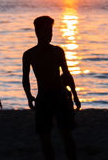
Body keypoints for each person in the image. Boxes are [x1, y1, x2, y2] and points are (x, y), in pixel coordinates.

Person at [22, 16, 81, 160]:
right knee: (44, 136)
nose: (49, 34)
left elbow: (67, 74)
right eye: (46, 31)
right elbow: (25, 78)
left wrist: (75, 95)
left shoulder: (58, 51)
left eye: (51, 31)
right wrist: (29, 96)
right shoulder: (29, 54)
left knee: (66, 134)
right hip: (43, 98)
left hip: (61, 96)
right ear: (37, 32)